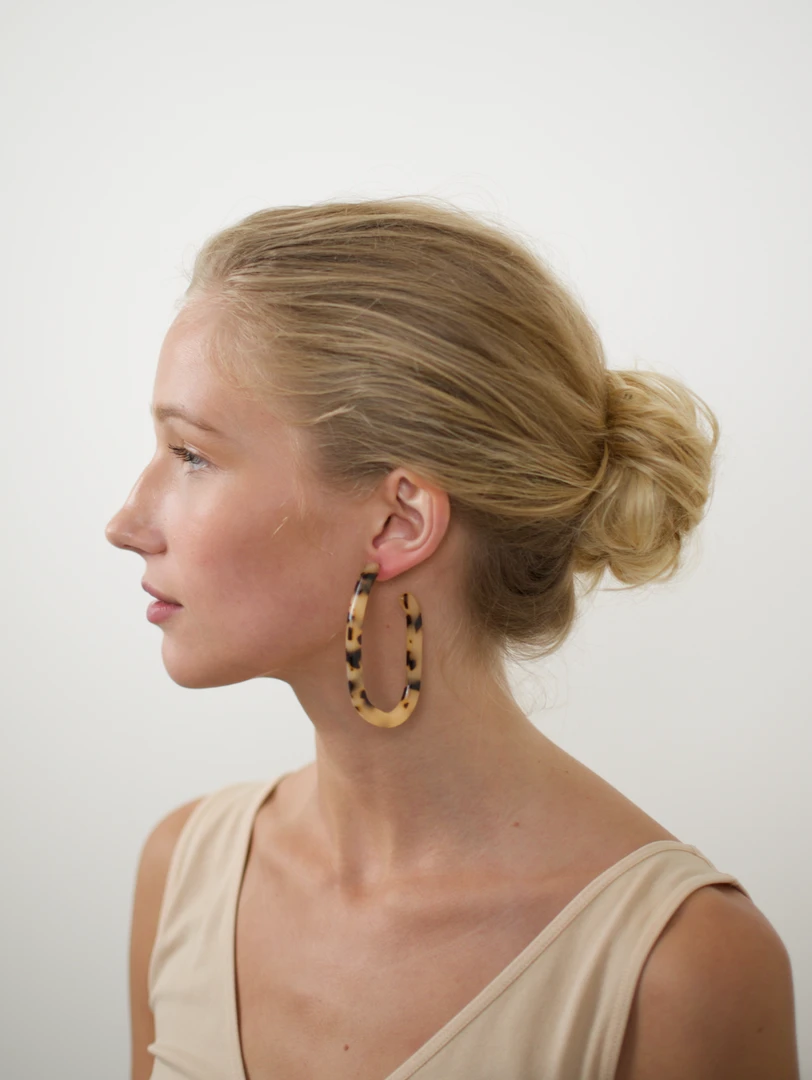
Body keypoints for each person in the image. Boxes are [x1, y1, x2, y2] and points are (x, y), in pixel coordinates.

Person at [105, 198, 799, 1080]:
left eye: (192, 455)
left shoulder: (680, 971)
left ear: (399, 522)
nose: (126, 523)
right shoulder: (184, 876)